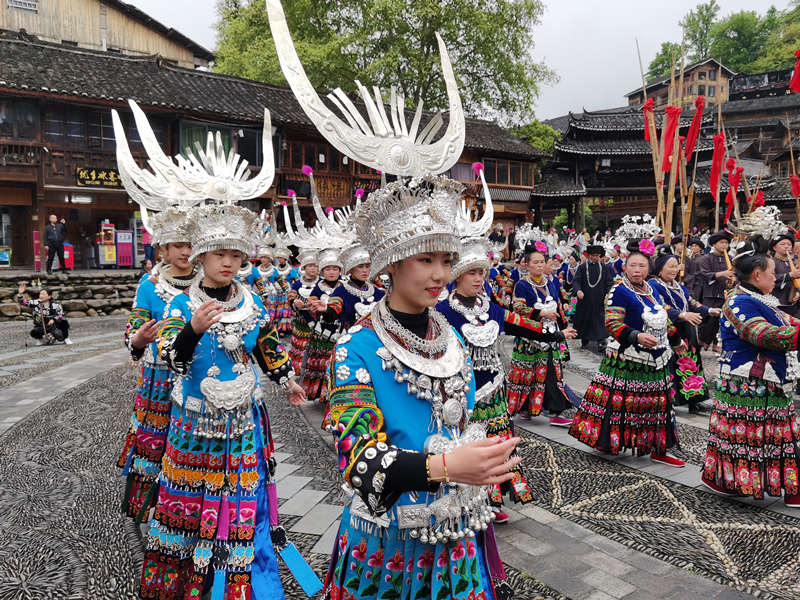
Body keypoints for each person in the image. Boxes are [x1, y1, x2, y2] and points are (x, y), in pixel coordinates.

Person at [324, 176, 521, 600]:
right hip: (388, 539)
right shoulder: (355, 349)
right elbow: (358, 463)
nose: (440, 274)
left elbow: (462, 419)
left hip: (458, 530)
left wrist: (481, 455)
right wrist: (448, 467)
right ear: (391, 263)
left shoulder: (451, 338)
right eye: (425, 259)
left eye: (447, 260)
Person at [437, 236, 577, 523]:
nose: (478, 279)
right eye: (472, 273)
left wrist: (556, 334)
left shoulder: (490, 308)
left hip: (494, 392)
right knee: (467, 447)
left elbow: (522, 324)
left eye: (481, 272)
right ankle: (464, 501)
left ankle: (493, 500)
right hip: (460, 394)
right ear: (458, 275)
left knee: (497, 445)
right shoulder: (442, 312)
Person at [701, 237, 800, 507]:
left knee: (770, 435)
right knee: (753, 436)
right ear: (757, 274)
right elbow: (761, 333)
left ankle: (739, 481)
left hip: (767, 380)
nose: (776, 277)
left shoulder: (761, 300)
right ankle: (740, 481)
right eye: (772, 273)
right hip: (749, 382)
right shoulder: (738, 301)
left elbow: (790, 322)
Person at [569, 247, 687, 466]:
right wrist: (635, 336)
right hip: (628, 358)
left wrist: (676, 340)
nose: (637, 270)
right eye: (633, 265)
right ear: (625, 267)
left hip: (657, 360)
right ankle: (609, 442)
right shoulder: (619, 290)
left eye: (642, 266)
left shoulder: (651, 289)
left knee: (659, 406)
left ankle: (660, 447)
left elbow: (663, 318)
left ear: (649, 269)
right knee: (620, 405)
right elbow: (612, 322)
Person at [118, 215, 199, 523]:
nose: (185, 252)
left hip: (197, 376)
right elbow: (134, 328)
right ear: (163, 249)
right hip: (159, 377)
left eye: (191, 245)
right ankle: (152, 506)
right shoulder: (150, 286)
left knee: (195, 441)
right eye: (178, 245)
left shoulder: (207, 283)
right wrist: (138, 339)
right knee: (156, 439)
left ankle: (191, 509)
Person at [507, 247, 574, 426]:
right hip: (529, 337)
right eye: (535, 262)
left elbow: (558, 304)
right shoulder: (522, 285)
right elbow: (518, 308)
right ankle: (525, 408)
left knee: (551, 372)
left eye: (542, 262)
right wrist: (541, 313)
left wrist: (563, 328)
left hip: (550, 335)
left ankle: (556, 412)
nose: (539, 265)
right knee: (527, 374)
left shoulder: (551, 283)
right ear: (527, 265)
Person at [648, 250, 720, 414]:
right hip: (669, 329)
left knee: (691, 363)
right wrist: (682, 315)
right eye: (670, 266)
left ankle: (695, 400)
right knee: (670, 363)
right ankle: (670, 399)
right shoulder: (653, 285)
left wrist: (709, 311)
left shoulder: (679, 287)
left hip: (687, 330)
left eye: (676, 266)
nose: (674, 270)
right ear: (660, 269)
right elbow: (660, 306)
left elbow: (692, 303)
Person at [302, 248, 342, 402]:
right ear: (322, 271)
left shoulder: (345, 287)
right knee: (322, 363)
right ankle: (321, 392)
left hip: (341, 331)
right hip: (322, 333)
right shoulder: (318, 288)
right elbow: (309, 308)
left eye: (335, 269)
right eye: (328, 269)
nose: (331, 272)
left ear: (340, 270)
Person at [572, 244, 615, 352]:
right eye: (593, 255)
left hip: (599, 299)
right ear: (589, 256)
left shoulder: (604, 268)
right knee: (585, 320)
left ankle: (601, 341)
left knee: (599, 320)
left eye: (597, 255)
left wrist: (609, 293)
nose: (595, 257)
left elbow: (609, 281)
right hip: (585, 299)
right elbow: (576, 281)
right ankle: (585, 339)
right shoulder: (582, 267)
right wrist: (578, 290)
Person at [698, 231, 734, 352]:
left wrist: (730, 283)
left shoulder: (731, 259)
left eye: (726, 243)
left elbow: (735, 276)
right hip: (710, 294)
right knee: (708, 320)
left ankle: (715, 343)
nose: (724, 245)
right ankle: (702, 341)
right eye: (721, 242)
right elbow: (703, 274)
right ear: (714, 244)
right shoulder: (706, 258)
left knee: (721, 321)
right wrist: (721, 274)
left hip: (724, 294)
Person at [288, 249, 319, 375]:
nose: (313, 269)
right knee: (300, 349)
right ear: (304, 268)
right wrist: (295, 303)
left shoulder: (322, 283)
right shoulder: (296, 284)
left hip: (318, 323)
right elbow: (290, 298)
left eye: (315, 266)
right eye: (310, 266)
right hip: (301, 323)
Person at [770, 232, 800, 318]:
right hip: (777, 300)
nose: (786, 246)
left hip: (794, 302)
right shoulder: (771, 261)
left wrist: (798, 292)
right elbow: (770, 278)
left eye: (789, 244)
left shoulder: (795, 260)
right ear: (774, 247)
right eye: (782, 244)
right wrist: (789, 275)